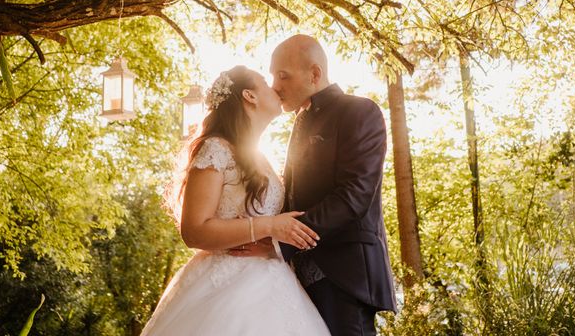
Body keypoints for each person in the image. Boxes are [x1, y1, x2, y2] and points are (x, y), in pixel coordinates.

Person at [140, 65, 330, 336]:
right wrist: (269, 226)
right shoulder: (215, 149)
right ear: (249, 96)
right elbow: (194, 231)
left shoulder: (261, 158)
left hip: (276, 285)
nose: (275, 86)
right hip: (225, 286)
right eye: (265, 81)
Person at [233, 35, 397, 335]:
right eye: (272, 76)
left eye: (283, 75)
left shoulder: (359, 112)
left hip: (345, 276)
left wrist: (278, 239)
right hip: (296, 280)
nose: (275, 85)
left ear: (315, 74)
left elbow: (354, 196)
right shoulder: (299, 122)